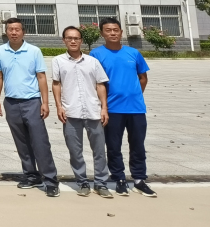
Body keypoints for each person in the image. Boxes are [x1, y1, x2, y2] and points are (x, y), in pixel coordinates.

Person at [0, 17, 59, 197]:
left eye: (17, 29)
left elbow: (41, 77)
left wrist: (45, 102)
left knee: (40, 141)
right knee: (21, 142)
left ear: (23, 32)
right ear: (6, 31)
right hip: (11, 102)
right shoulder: (0, 51)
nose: (14, 32)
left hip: (32, 102)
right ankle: (31, 175)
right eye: (10, 29)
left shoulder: (34, 51)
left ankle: (51, 180)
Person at [91, 17, 156, 197]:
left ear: (121, 32)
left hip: (136, 109)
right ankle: (119, 178)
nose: (112, 33)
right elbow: (95, 82)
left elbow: (143, 78)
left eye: (115, 30)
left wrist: (134, 95)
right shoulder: (96, 54)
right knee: (113, 146)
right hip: (112, 109)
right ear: (102, 33)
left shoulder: (133, 53)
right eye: (108, 30)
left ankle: (139, 179)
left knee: (138, 145)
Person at [52, 25, 112, 198]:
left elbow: (100, 85)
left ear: (81, 41)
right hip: (70, 112)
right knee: (75, 151)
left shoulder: (92, 62)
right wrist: (59, 106)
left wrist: (104, 108)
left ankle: (101, 183)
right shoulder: (58, 61)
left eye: (76, 38)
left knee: (99, 150)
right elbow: (56, 84)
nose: (73, 41)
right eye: (69, 38)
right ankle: (82, 182)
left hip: (93, 111)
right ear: (64, 40)